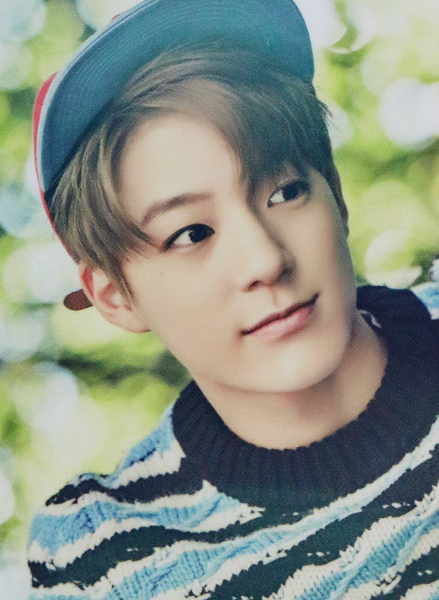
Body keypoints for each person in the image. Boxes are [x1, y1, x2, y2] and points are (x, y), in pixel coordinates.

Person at [27, 0, 439, 597]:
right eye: (191, 234)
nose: (266, 260)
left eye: (285, 192)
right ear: (116, 298)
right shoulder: (102, 556)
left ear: (335, 193)